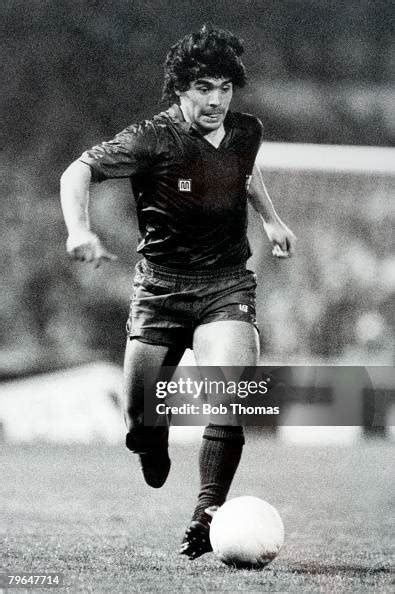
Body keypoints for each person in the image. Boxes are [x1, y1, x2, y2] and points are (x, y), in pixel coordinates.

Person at [60, 24, 296, 560]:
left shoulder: (246, 131)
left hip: (225, 285)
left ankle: (207, 513)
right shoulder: (150, 137)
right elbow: (77, 171)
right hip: (160, 289)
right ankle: (151, 439)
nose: (215, 100)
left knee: (228, 395)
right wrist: (79, 229)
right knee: (141, 421)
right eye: (203, 88)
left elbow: (244, 170)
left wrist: (272, 219)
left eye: (225, 88)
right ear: (181, 88)